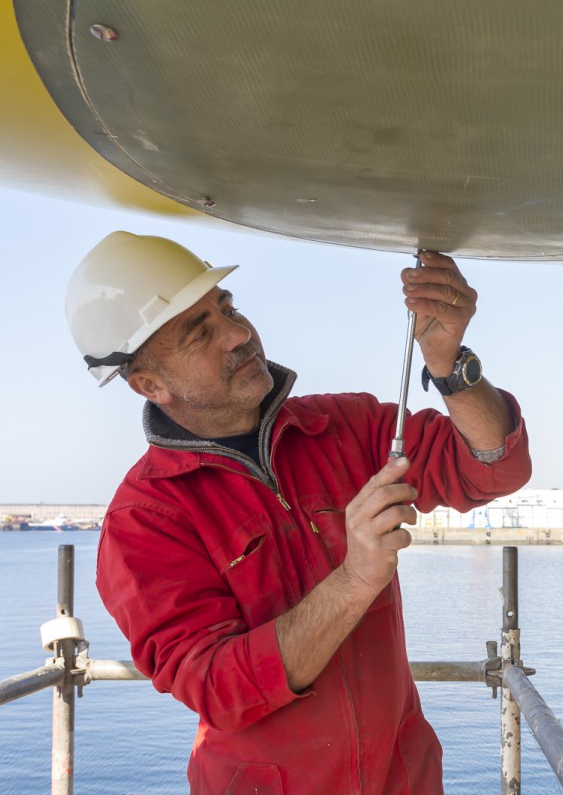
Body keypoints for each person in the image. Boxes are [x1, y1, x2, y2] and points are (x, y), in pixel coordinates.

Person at [64, 231, 532, 794]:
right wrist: (355, 579)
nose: (239, 334)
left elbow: (489, 467)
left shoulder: (347, 427)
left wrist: (450, 365)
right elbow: (218, 688)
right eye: (200, 333)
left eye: (228, 308)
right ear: (149, 384)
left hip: (402, 779)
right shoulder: (144, 520)